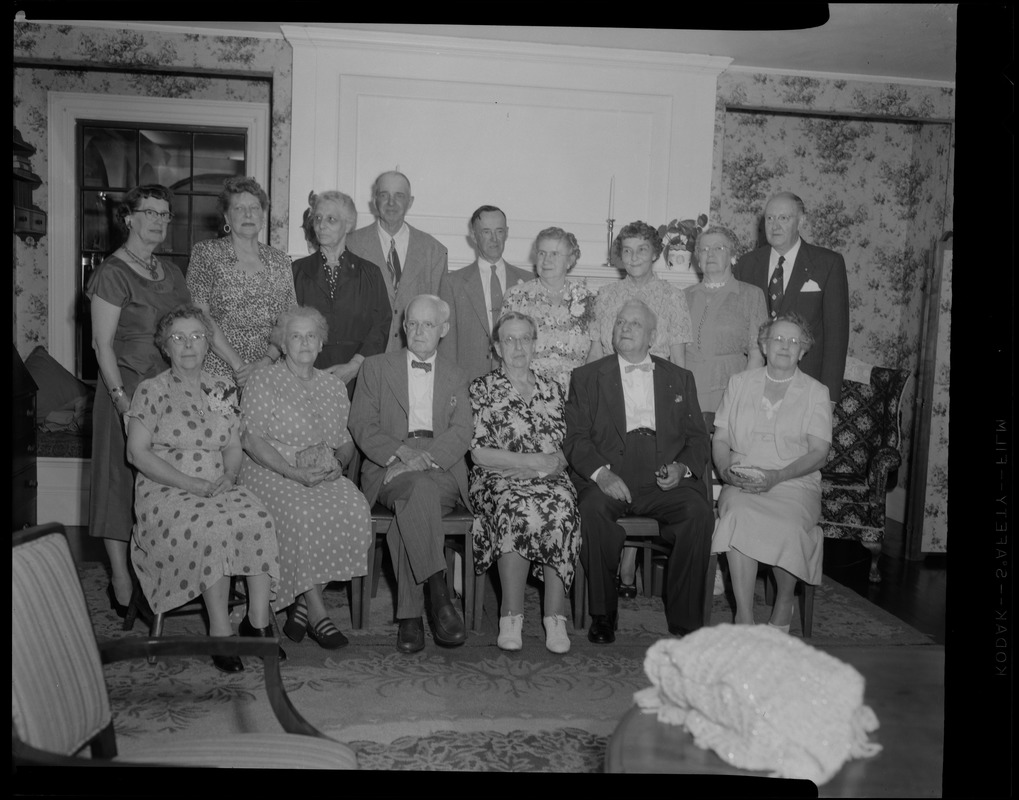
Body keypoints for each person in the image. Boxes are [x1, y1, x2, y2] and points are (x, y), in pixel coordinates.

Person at [125, 305, 280, 674]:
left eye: (197, 337)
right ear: (166, 347)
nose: (189, 345)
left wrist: (229, 475)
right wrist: (190, 483)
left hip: (217, 483)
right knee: (213, 527)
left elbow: (231, 445)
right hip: (167, 490)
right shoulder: (151, 390)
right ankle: (221, 632)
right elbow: (137, 453)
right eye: (179, 338)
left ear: (208, 344)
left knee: (258, 518)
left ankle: (256, 624)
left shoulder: (222, 387)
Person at [564, 300, 713, 644]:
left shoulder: (679, 377)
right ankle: (603, 614)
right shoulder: (586, 377)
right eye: (620, 322)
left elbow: (696, 438)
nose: (625, 328)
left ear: (653, 336)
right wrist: (601, 474)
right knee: (592, 510)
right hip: (610, 472)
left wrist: (682, 468)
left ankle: (685, 619)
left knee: (698, 513)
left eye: (634, 323)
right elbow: (575, 438)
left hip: (663, 474)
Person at [240, 306, 373, 650]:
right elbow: (250, 439)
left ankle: (299, 600)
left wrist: (340, 464)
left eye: (310, 336)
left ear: (320, 344)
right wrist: (290, 472)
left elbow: (345, 441)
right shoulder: (264, 378)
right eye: (295, 336)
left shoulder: (333, 385)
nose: (304, 342)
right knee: (301, 512)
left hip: (319, 469)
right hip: (270, 469)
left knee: (353, 507)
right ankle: (316, 613)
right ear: (283, 344)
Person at [86, 184, 192, 616]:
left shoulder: (171, 273)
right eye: (150, 212)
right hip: (126, 390)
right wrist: (121, 402)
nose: (159, 221)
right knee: (119, 485)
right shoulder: (113, 271)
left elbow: (191, 329)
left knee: (160, 485)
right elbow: (101, 343)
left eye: (165, 215)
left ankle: (159, 575)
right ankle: (122, 582)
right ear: (128, 217)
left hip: (168, 394)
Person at [348, 294, 472, 654]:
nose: (418, 331)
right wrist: (402, 454)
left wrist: (427, 458)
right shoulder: (375, 367)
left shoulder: (456, 374)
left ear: (443, 330)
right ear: (403, 326)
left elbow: (462, 430)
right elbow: (362, 425)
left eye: (428, 324)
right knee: (417, 490)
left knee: (416, 498)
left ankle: (411, 617)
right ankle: (438, 591)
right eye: (413, 323)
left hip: (442, 466)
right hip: (389, 465)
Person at [710, 313, 833, 632]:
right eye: (778, 339)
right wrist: (725, 471)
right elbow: (721, 438)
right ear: (764, 345)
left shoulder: (816, 391)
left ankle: (784, 602)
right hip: (744, 477)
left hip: (794, 482)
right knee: (737, 513)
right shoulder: (739, 383)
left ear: (803, 351)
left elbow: (819, 453)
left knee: (790, 524)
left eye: (794, 342)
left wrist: (777, 478)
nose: (785, 346)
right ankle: (744, 616)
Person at [469, 312, 580, 654]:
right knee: (514, 506)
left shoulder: (554, 388)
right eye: (509, 340)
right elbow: (478, 453)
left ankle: (554, 617)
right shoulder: (482, 388)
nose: (518, 346)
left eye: (525, 339)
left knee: (562, 505)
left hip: (550, 477)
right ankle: (511, 615)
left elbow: (571, 446)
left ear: (535, 344)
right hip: (498, 478)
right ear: (498, 348)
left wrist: (549, 467)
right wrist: (529, 462)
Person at [593, 220, 694, 596]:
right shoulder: (606, 294)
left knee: (652, 472)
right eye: (627, 250)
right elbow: (596, 352)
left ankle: (630, 557)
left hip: (658, 396)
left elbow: (680, 358)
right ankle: (617, 555)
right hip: (614, 395)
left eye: (642, 250)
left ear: (655, 253)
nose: (633, 257)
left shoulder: (672, 296)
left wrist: (681, 410)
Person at [734, 191, 849, 403]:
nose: (775, 225)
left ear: (801, 221)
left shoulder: (828, 264)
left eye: (784, 218)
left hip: (806, 386)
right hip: (756, 386)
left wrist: (830, 397)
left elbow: (836, 338)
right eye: (770, 218)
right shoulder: (746, 265)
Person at [186, 176, 296, 387]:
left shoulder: (280, 260)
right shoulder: (206, 253)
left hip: (270, 372)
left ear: (263, 216)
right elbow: (200, 315)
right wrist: (239, 367)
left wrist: (265, 361)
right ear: (227, 217)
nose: (248, 214)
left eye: (254, 208)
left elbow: (289, 319)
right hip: (219, 371)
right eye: (239, 208)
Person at [292, 190, 391, 398]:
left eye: (331, 219)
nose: (321, 225)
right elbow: (288, 327)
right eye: (317, 218)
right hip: (306, 374)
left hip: (358, 376)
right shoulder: (297, 271)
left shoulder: (370, 273)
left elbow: (381, 325)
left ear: (348, 225)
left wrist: (355, 365)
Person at [346, 171, 449, 352]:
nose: (391, 203)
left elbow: (440, 319)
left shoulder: (434, 251)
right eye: (384, 195)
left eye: (399, 196)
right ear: (374, 200)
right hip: (363, 362)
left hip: (413, 360)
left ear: (410, 202)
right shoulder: (351, 245)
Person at [500, 226, 598, 394]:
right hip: (529, 393)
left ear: (570, 260)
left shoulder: (587, 299)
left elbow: (595, 355)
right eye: (542, 253)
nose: (546, 260)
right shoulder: (516, 297)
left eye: (554, 254)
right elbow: (504, 350)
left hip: (576, 395)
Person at [438, 205, 532, 381]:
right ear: (474, 236)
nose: (494, 239)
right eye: (486, 232)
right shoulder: (453, 283)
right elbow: (447, 349)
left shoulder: (528, 282)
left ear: (507, 233)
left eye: (499, 231)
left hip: (518, 383)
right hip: (470, 383)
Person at [684, 225, 768, 412]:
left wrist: (742, 394)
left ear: (733, 255)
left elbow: (757, 355)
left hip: (730, 389)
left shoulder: (751, 295)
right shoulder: (683, 297)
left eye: (718, 248)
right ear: (697, 258)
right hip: (689, 388)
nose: (710, 254)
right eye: (704, 250)